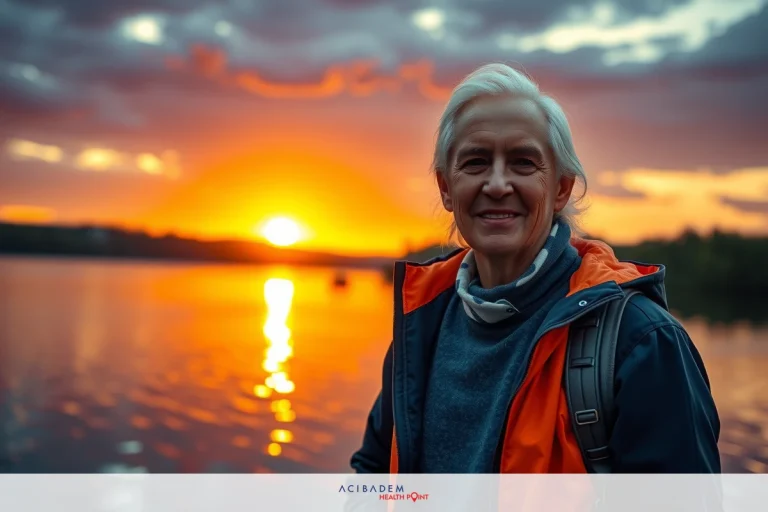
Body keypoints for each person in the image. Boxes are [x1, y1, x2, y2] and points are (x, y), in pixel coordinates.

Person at [350, 63, 721, 474]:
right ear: (446, 188)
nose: (496, 184)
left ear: (560, 187)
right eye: (475, 162)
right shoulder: (423, 323)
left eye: (523, 163)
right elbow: (374, 471)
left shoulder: (642, 343)